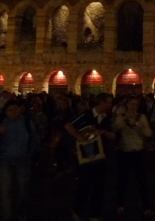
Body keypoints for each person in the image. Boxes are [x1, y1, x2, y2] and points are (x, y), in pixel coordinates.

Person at [65, 93, 115, 221]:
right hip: (85, 156)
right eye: (108, 102)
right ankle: (77, 209)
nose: (110, 105)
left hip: (100, 156)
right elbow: (68, 125)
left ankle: (94, 214)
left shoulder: (107, 118)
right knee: (84, 184)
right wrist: (79, 136)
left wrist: (104, 132)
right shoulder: (86, 115)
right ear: (101, 102)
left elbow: (113, 135)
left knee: (99, 187)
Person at [0, 99, 39, 221]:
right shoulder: (1, 123)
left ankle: (20, 211)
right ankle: (6, 215)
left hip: (22, 160)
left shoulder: (26, 122)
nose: (14, 112)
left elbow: (33, 139)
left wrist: (29, 153)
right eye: (10, 110)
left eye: (16, 109)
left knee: (22, 189)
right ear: (5, 112)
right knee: (5, 190)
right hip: (5, 160)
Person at [113, 96, 153, 217]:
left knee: (142, 181)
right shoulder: (121, 117)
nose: (133, 107)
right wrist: (124, 119)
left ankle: (146, 206)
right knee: (122, 180)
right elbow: (115, 129)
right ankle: (120, 205)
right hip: (124, 152)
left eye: (136, 104)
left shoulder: (141, 117)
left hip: (137, 152)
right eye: (131, 104)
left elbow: (148, 133)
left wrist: (138, 125)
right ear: (126, 105)